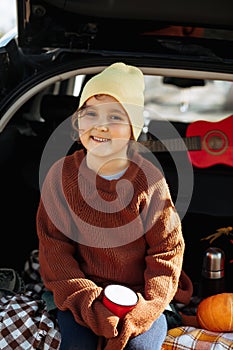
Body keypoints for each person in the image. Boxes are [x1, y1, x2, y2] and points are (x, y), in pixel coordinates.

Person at [36, 62, 190, 350]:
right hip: (81, 291)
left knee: (140, 347)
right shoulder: (61, 176)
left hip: (140, 294)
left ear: (133, 128)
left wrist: (148, 306)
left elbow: (167, 250)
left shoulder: (150, 180)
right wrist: (87, 300)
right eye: (90, 113)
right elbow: (54, 249)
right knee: (77, 345)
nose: (101, 125)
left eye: (115, 116)